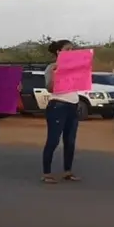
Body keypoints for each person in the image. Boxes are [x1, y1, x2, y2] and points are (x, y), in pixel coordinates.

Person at [41, 39, 81, 183]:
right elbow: (50, 88)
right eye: (67, 49)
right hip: (58, 105)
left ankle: (67, 171)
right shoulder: (51, 67)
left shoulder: (75, 67)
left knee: (70, 141)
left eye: (72, 49)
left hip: (73, 105)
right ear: (59, 52)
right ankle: (46, 173)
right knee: (53, 140)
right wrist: (55, 73)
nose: (71, 52)